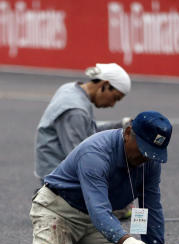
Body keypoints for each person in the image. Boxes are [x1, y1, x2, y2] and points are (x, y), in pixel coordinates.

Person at [0, 111, 179, 244]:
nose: (146, 157)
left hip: (92, 222)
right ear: (128, 133)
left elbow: (150, 207)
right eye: (143, 150)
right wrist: (126, 241)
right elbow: (98, 209)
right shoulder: (96, 153)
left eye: (153, 152)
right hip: (58, 210)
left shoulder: (149, 162)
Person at [35, 63, 134, 219]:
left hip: (53, 168)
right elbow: (80, 157)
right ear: (105, 85)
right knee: (121, 187)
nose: (112, 104)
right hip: (59, 178)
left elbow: (89, 130)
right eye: (115, 98)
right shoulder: (75, 110)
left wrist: (121, 125)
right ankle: (60, 202)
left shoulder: (70, 89)